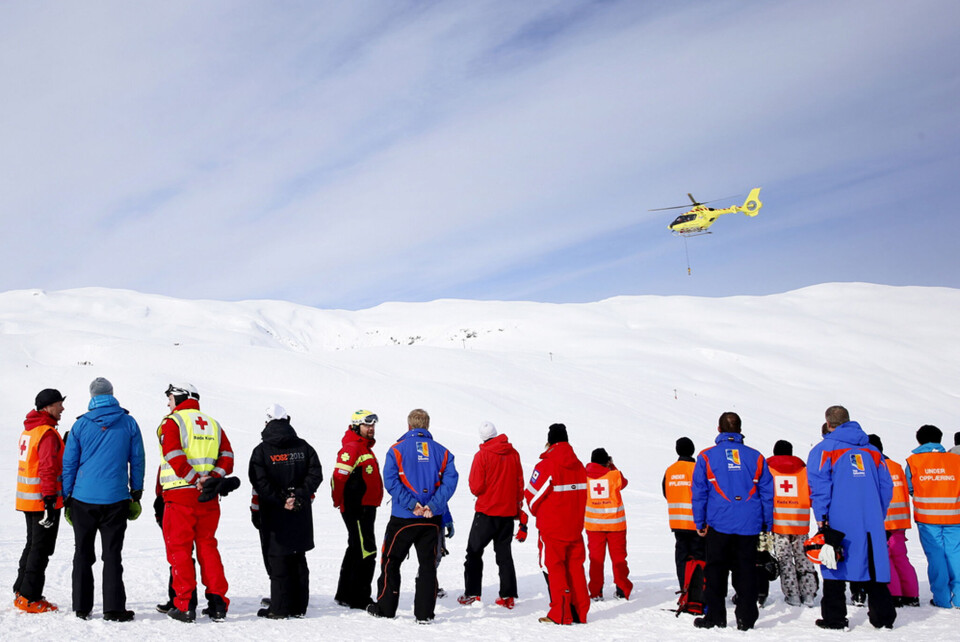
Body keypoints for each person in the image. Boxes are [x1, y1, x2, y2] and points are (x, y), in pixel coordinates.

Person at [61, 378, 145, 621]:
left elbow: (69, 464)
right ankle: (114, 608)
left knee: (82, 554)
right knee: (112, 555)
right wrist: (136, 492)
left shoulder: (80, 425)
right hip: (116, 498)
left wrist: (67, 496)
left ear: (92, 396)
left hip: (82, 499)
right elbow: (137, 459)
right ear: (112, 394)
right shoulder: (128, 422)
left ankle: (81, 607)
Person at [807, 405, 895, 630]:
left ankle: (835, 618)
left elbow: (819, 486)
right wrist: (877, 512)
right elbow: (886, 486)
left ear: (828, 424)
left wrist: (821, 517)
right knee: (874, 566)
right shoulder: (873, 452)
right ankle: (883, 617)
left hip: (839, 518)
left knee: (834, 562)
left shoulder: (824, 449)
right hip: (871, 518)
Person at [367, 409, 458, 623]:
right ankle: (424, 614)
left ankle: (386, 607)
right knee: (427, 565)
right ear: (427, 426)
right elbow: (450, 482)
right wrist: (433, 506)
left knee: (391, 562)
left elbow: (390, 481)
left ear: (409, 426)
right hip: (431, 519)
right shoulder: (443, 452)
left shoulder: (396, 450)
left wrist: (411, 504)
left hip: (403, 518)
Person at [158, 383, 235, 623]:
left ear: (179, 397)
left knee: (179, 550)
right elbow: (228, 457)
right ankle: (218, 604)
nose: (168, 403)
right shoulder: (213, 424)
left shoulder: (172, 422)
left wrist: (194, 479)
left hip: (180, 496)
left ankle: (184, 605)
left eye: (170, 398)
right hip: (209, 497)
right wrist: (211, 480)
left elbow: (172, 453)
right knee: (208, 547)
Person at [691, 411, 773, 631]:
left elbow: (699, 493)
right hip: (749, 524)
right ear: (740, 430)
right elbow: (767, 492)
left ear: (719, 430)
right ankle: (746, 619)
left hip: (719, 524)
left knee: (716, 571)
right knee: (746, 571)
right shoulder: (756, 457)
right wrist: (767, 523)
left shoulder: (706, 457)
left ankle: (715, 617)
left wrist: (699, 522)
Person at [249, 403, 323, 619]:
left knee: (278, 557)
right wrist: (298, 495)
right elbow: (315, 474)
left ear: (267, 423)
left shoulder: (261, 451)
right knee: (298, 556)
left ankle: (279, 608)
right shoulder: (304, 447)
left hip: (273, 511)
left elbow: (259, 482)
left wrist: (282, 499)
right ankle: (299, 606)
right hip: (300, 511)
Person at [524, 423, 589, 625]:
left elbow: (532, 498)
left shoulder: (547, 465)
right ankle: (579, 611)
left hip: (553, 528)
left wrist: (538, 514)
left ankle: (560, 613)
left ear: (550, 441)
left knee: (555, 568)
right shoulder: (579, 466)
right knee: (576, 568)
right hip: (575, 526)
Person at [458, 421, 524, 608]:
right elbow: (519, 482)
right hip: (507, 513)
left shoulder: (482, 455)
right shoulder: (514, 454)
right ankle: (508, 596)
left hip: (486, 512)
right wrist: (518, 507)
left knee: (474, 552)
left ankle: (472, 593)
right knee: (504, 555)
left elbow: (476, 486)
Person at [14, 388, 67, 613]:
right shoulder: (46, 433)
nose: (62, 407)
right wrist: (48, 500)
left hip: (29, 500)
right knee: (41, 548)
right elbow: (47, 468)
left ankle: (21, 590)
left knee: (32, 545)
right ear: (47, 407)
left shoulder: (31, 429)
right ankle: (30, 597)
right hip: (43, 500)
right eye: (58, 404)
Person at [332, 409, 383, 610]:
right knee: (366, 549)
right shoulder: (352, 448)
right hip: (358, 508)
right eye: (366, 425)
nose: (371, 429)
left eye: (372, 426)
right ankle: (359, 597)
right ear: (356, 426)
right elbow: (338, 478)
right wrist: (341, 502)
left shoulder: (364, 447)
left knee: (356, 547)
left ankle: (345, 594)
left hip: (366, 507)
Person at [905, 424, 960, 609]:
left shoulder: (914, 461)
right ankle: (959, 598)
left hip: (928, 519)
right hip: (955, 517)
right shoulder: (955, 460)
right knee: (955, 555)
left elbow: (910, 488)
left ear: (919, 440)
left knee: (936, 556)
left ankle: (942, 599)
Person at [867, 434, 919, 607]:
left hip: (884, 521)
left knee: (886, 558)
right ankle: (911, 595)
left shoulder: (873, 466)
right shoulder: (896, 466)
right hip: (901, 520)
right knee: (901, 558)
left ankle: (894, 593)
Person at [766, 439, 818, 607]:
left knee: (785, 560)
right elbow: (812, 495)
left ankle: (792, 595)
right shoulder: (804, 471)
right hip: (800, 524)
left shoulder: (769, 470)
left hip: (779, 524)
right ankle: (809, 593)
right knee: (804, 557)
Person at [585, 447, 632, 601]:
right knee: (619, 559)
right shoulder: (614, 475)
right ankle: (622, 589)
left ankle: (596, 592)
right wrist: (612, 465)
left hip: (594, 526)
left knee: (596, 560)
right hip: (616, 526)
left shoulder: (584, 476)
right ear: (607, 461)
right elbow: (623, 483)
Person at [662, 436, 704, 591]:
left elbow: (666, 492)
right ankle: (698, 591)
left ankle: (685, 589)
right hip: (696, 522)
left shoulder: (670, 470)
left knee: (681, 558)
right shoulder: (697, 469)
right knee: (699, 557)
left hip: (677, 523)